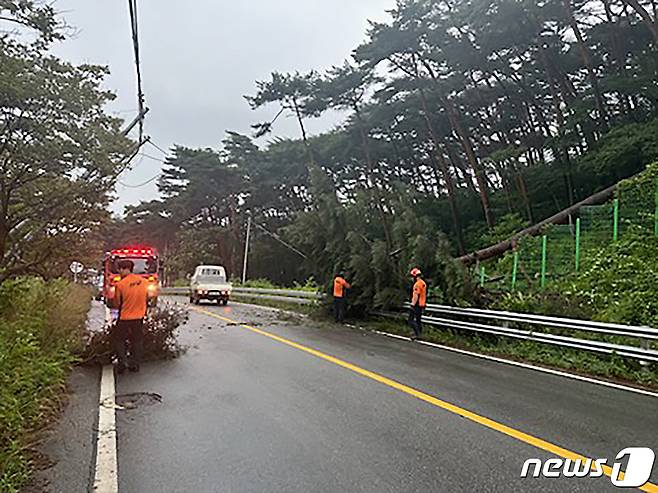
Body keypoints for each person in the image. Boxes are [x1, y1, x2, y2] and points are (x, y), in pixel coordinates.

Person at [113, 259, 149, 373]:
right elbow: (147, 297)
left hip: (125, 317)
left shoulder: (120, 285)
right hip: (139, 317)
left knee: (119, 340)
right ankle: (135, 364)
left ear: (124, 269)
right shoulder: (144, 282)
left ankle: (122, 362)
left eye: (120, 270)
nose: (119, 272)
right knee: (137, 340)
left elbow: (117, 303)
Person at [408, 267, 427, 341]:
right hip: (422, 304)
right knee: (418, 319)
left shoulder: (417, 284)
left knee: (411, 320)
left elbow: (416, 295)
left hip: (416, 304)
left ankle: (417, 334)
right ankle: (419, 333)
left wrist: (412, 304)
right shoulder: (423, 283)